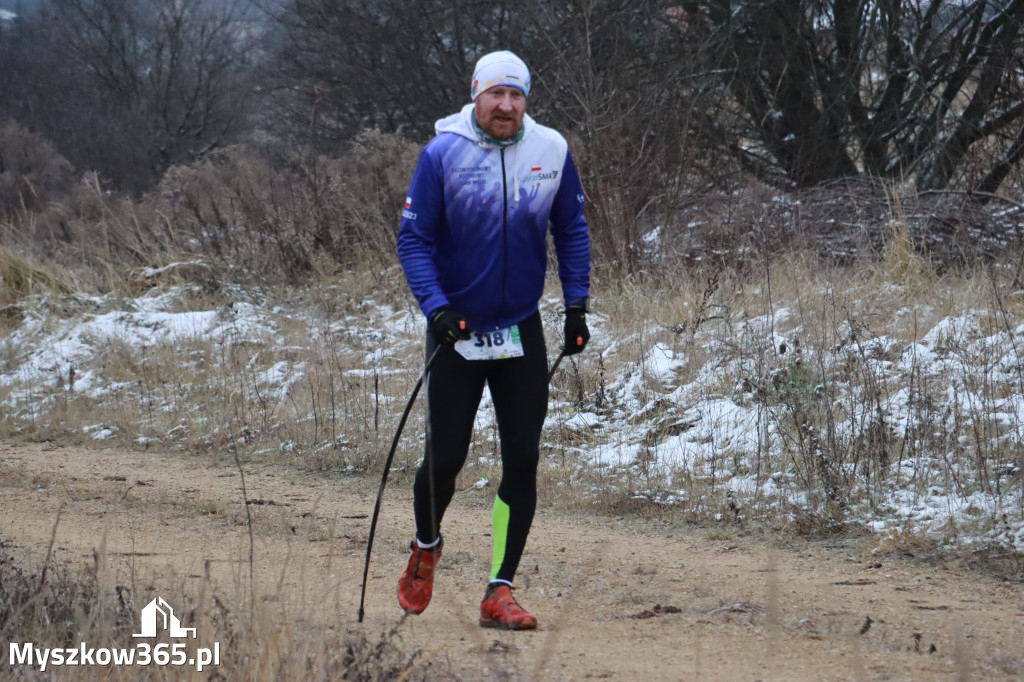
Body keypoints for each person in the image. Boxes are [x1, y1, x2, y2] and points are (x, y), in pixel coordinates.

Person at [395, 50, 591, 630]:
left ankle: (499, 591)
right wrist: (436, 308)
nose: (506, 105)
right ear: (476, 95)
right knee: (446, 459)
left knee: (522, 461)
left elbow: (571, 229)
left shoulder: (551, 150)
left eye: (517, 95)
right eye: (496, 94)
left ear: (526, 101)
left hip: (520, 328)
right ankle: (426, 545)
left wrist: (575, 307)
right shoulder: (442, 154)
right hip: (456, 331)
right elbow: (414, 241)